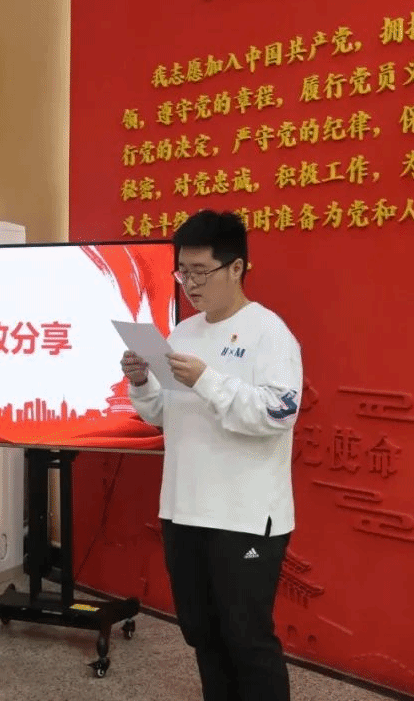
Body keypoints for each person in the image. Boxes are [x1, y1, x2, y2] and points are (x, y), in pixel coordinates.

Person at [120, 209, 303, 701]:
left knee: (247, 639)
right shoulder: (183, 333)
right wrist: (142, 382)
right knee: (202, 633)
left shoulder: (269, 333)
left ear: (236, 267)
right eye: (183, 271)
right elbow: (165, 413)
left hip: (245, 518)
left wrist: (207, 379)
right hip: (183, 511)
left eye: (201, 271)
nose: (190, 284)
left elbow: (278, 414)